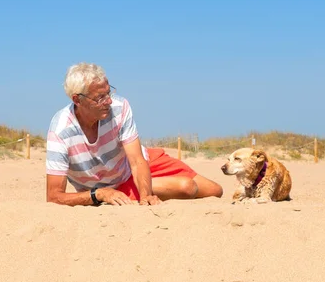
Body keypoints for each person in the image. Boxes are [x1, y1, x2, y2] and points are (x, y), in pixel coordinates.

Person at [46, 62, 223, 206]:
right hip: (110, 187)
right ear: (77, 99)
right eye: (100, 98)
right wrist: (98, 194)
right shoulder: (60, 131)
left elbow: (137, 161)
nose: (108, 101)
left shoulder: (119, 107)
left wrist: (146, 195)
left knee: (215, 191)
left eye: (108, 92)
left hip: (138, 165)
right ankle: (138, 192)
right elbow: (54, 196)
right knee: (187, 187)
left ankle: (145, 190)